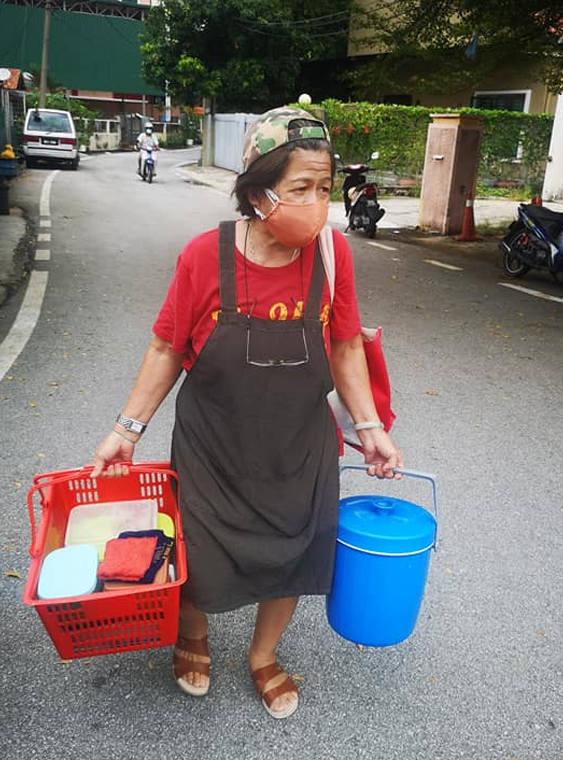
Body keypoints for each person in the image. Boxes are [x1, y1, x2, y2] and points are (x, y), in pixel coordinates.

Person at [90, 106, 403, 719]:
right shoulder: (204, 257)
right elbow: (167, 347)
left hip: (299, 445)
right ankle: (194, 635)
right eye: (299, 189)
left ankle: (263, 655)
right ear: (259, 192)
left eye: (323, 187)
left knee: (293, 553)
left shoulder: (332, 254)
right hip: (214, 445)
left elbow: (343, 346)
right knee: (198, 550)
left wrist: (369, 430)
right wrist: (125, 431)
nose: (317, 203)